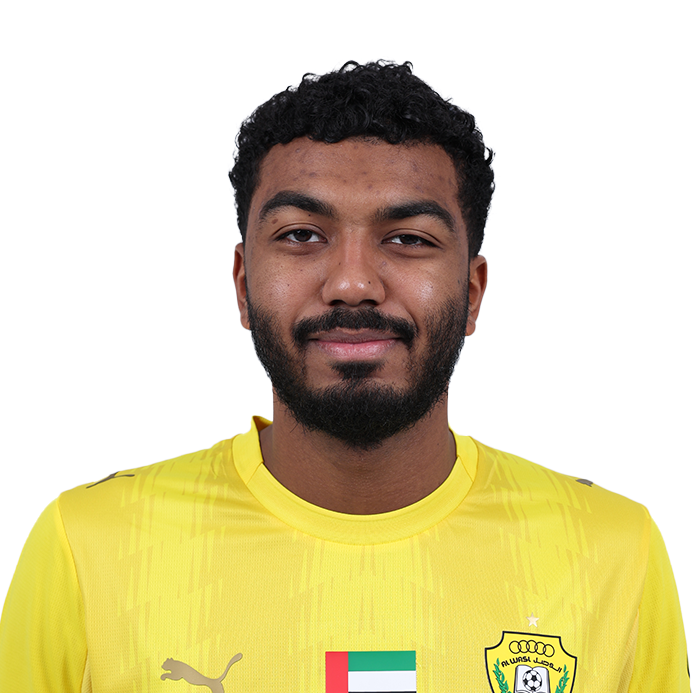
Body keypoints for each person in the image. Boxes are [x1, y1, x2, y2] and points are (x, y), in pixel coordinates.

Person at [0, 56, 687, 692]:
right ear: (242, 283)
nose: (353, 283)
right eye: (301, 234)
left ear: (474, 291)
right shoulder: (84, 546)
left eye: (408, 238)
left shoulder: (613, 550)